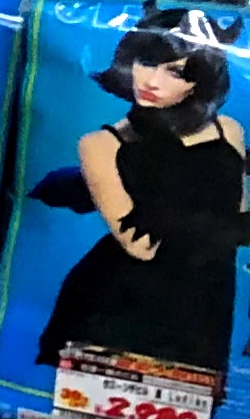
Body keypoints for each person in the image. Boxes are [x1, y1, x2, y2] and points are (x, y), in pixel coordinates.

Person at [36, 20, 250, 378]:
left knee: (192, 402)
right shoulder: (100, 145)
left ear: (201, 80)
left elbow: (236, 223)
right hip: (118, 305)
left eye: (175, 72)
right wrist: (226, 229)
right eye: (146, 62)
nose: (151, 81)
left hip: (206, 301)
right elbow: (142, 245)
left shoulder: (228, 130)